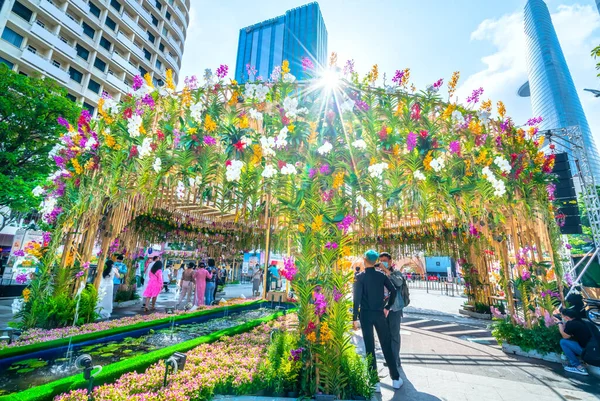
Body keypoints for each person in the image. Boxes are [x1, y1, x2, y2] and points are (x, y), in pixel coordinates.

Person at [353, 250, 403, 392]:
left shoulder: (360, 277)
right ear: (376, 261)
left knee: (369, 346)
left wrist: (354, 319)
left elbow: (356, 299)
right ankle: (395, 379)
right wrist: (387, 307)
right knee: (386, 345)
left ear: (364, 259)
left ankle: (374, 382)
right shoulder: (381, 275)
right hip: (380, 314)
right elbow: (393, 291)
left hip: (365, 315)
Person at [380, 252, 410, 369]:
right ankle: (390, 359)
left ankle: (395, 360)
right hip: (382, 310)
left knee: (394, 335)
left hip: (394, 309)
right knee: (386, 336)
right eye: (381, 260)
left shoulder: (396, 273)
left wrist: (387, 272)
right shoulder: (379, 273)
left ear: (390, 261)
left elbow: (398, 282)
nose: (383, 263)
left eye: (385, 260)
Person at [558, 307, 591, 375]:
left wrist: (559, 323)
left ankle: (578, 367)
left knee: (563, 342)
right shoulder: (581, 322)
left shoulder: (571, 324)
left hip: (585, 351)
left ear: (567, 317)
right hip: (590, 349)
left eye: (562, 316)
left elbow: (565, 336)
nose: (562, 317)